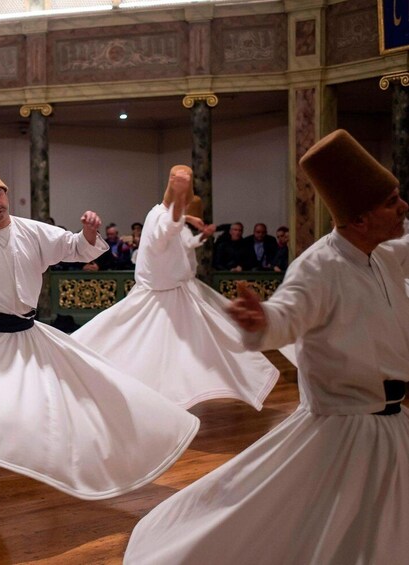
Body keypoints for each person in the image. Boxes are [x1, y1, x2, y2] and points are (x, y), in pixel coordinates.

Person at [125, 130, 409, 563]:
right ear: (359, 219)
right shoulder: (319, 267)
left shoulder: (386, 253)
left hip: (392, 425)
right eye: (392, 201)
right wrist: (261, 322)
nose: (404, 207)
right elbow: (285, 317)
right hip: (344, 429)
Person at [0, 153, 199, 507]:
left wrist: (88, 233)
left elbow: (72, 246)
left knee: (11, 413)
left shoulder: (32, 231)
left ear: (5, 195)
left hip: (23, 336)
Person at [73, 170, 279, 410]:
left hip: (177, 294)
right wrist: (181, 208)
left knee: (201, 344)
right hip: (157, 298)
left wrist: (197, 229)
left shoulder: (170, 217)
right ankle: (146, 396)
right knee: (134, 344)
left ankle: (171, 396)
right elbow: (163, 233)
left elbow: (181, 240)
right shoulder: (159, 216)